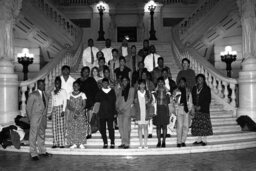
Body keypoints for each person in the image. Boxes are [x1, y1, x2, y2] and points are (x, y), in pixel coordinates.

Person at [26, 80, 52, 161]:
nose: (43, 86)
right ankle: (33, 153)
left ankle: (42, 151)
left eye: (44, 84)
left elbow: (46, 106)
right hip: (35, 118)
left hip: (43, 118)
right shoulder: (33, 94)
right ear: (38, 85)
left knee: (42, 135)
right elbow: (28, 108)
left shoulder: (45, 94)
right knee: (33, 136)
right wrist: (31, 119)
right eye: (41, 84)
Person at [76, 67, 99, 139]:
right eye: (85, 71)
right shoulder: (78, 81)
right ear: (82, 72)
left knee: (89, 119)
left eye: (87, 72)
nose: (86, 73)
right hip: (81, 103)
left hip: (90, 102)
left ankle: (88, 133)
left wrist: (95, 102)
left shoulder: (91, 80)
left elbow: (96, 91)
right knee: (82, 119)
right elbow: (76, 91)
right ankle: (82, 133)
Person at [191, 74, 213, 146]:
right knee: (198, 125)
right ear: (196, 80)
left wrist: (201, 107)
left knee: (204, 125)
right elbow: (192, 98)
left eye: (201, 78)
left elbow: (208, 100)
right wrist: (194, 106)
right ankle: (199, 140)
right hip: (196, 109)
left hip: (204, 109)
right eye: (198, 78)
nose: (199, 80)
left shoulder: (207, 88)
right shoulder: (194, 88)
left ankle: (204, 140)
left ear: (203, 80)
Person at [95, 78, 117, 149]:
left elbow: (114, 103)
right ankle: (105, 142)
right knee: (103, 129)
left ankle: (112, 142)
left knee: (111, 128)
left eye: (106, 83)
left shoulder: (112, 91)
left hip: (110, 113)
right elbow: (97, 101)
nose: (104, 84)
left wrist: (115, 112)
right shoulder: (99, 92)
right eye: (103, 83)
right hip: (102, 113)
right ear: (102, 84)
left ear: (108, 84)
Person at [66, 81, 88, 149]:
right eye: (74, 85)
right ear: (73, 87)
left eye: (77, 85)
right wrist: (74, 110)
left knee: (81, 128)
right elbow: (68, 105)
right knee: (73, 128)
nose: (75, 87)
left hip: (80, 113)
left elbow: (84, 105)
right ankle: (74, 143)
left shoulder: (83, 94)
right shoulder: (69, 94)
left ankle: (81, 143)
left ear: (79, 86)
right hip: (72, 113)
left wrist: (78, 112)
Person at [133, 79, 153, 149]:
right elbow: (134, 103)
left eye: (143, 84)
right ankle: (141, 144)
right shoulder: (136, 93)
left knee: (145, 128)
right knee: (139, 128)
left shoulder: (147, 92)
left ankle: (145, 144)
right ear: (138, 85)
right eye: (140, 84)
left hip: (146, 112)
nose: (142, 85)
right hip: (139, 112)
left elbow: (151, 101)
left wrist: (148, 101)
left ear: (145, 85)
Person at [173, 78, 193, 148]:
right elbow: (174, 100)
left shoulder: (188, 91)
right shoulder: (176, 91)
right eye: (180, 82)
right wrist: (175, 110)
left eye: (183, 82)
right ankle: (179, 142)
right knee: (180, 126)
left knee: (186, 126)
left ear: (185, 83)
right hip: (179, 109)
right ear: (179, 83)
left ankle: (183, 141)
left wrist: (189, 109)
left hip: (186, 109)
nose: (182, 83)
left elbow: (190, 100)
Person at [116, 76, 134, 149]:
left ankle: (126, 143)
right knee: (120, 127)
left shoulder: (131, 89)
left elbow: (131, 100)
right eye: (123, 81)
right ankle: (123, 142)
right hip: (119, 110)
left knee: (126, 127)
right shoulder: (120, 89)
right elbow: (117, 99)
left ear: (128, 81)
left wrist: (123, 108)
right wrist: (117, 108)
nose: (124, 82)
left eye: (126, 80)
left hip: (126, 110)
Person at [49, 76, 67, 148]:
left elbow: (65, 101)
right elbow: (52, 103)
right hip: (54, 110)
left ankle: (61, 143)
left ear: (60, 83)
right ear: (54, 83)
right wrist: (50, 112)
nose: (57, 84)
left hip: (60, 108)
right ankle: (55, 143)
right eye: (56, 83)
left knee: (61, 127)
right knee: (54, 127)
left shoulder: (63, 91)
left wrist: (63, 110)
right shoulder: (52, 92)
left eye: (58, 83)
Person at [152, 77, 170, 148]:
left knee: (164, 126)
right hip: (157, 109)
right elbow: (153, 101)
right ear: (157, 83)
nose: (160, 83)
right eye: (159, 82)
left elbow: (168, 101)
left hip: (165, 109)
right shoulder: (154, 92)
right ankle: (159, 141)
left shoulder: (167, 91)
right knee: (158, 126)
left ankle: (164, 141)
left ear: (164, 83)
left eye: (162, 82)